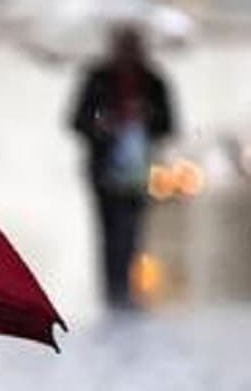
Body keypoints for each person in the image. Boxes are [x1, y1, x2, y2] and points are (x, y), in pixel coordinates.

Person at [69, 23, 175, 310]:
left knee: (132, 231)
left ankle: (129, 286)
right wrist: (102, 124)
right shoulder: (97, 78)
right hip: (104, 168)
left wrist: (145, 117)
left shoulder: (153, 81)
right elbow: (76, 120)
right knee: (108, 230)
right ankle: (113, 290)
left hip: (140, 169)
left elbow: (167, 124)